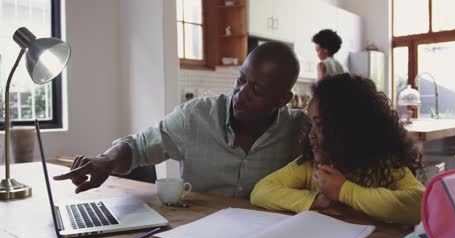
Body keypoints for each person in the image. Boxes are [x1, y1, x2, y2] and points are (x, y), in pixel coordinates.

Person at [53, 42, 307, 199]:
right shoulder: (195, 117)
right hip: (198, 232)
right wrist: (106, 161)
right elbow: (138, 147)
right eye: (241, 80)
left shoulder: (298, 130)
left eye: (257, 90)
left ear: (283, 99)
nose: (242, 93)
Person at [251, 73, 425, 225]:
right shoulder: (311, 165)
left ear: (349, 129)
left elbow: (421, 204)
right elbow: (261, 191)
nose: (310, 135)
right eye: (310, 124)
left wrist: (345, 191)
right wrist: (317, 201)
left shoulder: (385, 165)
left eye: (320, 125)